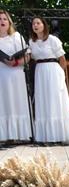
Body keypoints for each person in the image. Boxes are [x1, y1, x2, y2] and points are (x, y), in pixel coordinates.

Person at [29, 17, 69, 145]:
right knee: (43, 101)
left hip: (53, 71)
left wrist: (60, 75)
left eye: (38, 23)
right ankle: (46, 137)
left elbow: (62, 60)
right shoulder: (31, 42)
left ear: (44, 25)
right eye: (33, 23)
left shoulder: (52, 39)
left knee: (55, 101)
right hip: (40, 72)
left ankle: (62, 135)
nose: (35, 25)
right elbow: (30, 58)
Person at [0, 9, 32, 144]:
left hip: (16, 74)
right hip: (1, 74)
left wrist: (16, 62)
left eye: (4, 19)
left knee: (16, 102)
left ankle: (20, 134)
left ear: (9, 22)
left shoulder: (16, 36)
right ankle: (4, 136)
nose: (2, 21)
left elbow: (28, 56)